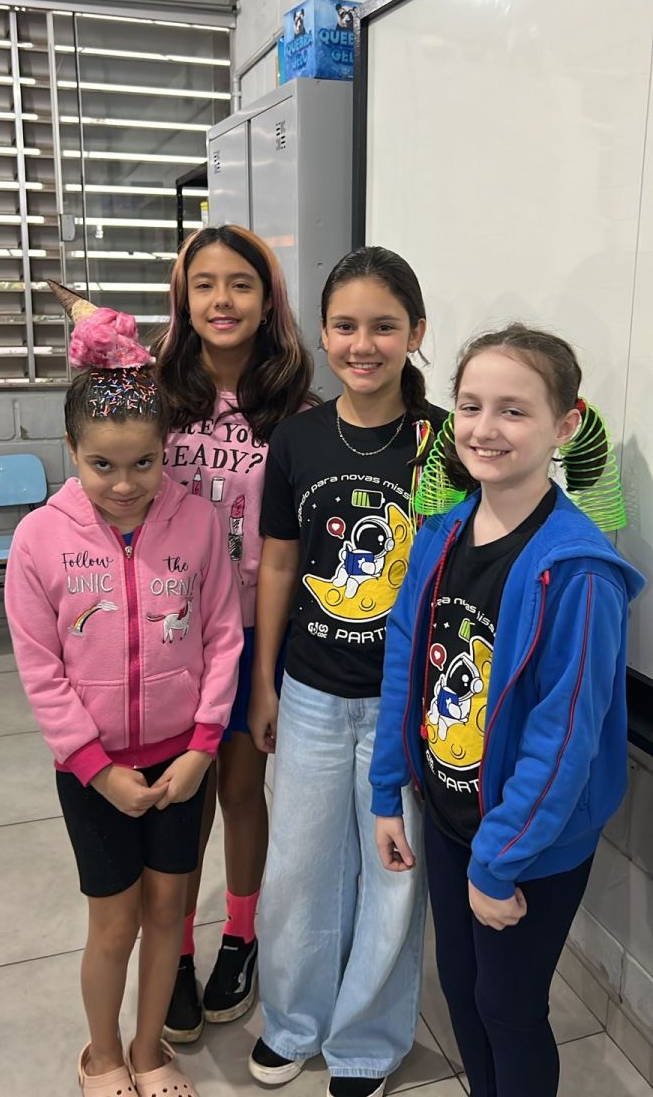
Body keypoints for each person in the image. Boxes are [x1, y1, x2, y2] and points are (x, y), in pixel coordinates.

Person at [370, 324, 645, 1097]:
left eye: (513, 410)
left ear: (563, 425)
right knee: (461, 988)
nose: (484, 428)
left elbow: (563, 739)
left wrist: (497, 863)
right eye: (470, 406)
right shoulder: (439, 535)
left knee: (508, 1007)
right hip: (448, 814)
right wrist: (385, 790)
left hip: (528, 841)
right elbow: (405, 668)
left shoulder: (578, 573)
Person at [5, 289, 243, 1097]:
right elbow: (40, 668)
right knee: (113, 922)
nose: (124, 483)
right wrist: (94, 766)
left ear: (165, 449)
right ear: (72, 449)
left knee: (168, 913)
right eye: (102, 464)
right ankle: (102, 1055)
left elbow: (223, 636)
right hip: (93, 772)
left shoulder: (197, 525)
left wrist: (203, 747)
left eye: (143, 462)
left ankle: (148, 1049)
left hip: (180, 764)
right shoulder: (39, 539)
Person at [247, 246, 448, 1097]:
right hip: (311, 693)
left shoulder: (443, 443)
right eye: (344, 326)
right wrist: (264, 681)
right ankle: (292, 1022)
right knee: (298, 866)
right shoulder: (296, 437)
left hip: (407, 704)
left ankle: (366, 1041)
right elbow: (278, 565)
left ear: (416, 332)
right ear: (321, 334)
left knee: (391, 875)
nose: (362, 345)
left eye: (383, 326)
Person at [155, 225, 314, 1039]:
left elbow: (294, 548)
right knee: (181, 803)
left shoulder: (298, 411)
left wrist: (266, 669)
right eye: (204, 283)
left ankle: (240, 939)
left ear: (267, 298)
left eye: (240, 284)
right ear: (182, 298)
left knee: (241, 791)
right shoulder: (150, 393)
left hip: (255, 633)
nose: (222, 300)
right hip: (169, 634)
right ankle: (175, 950)